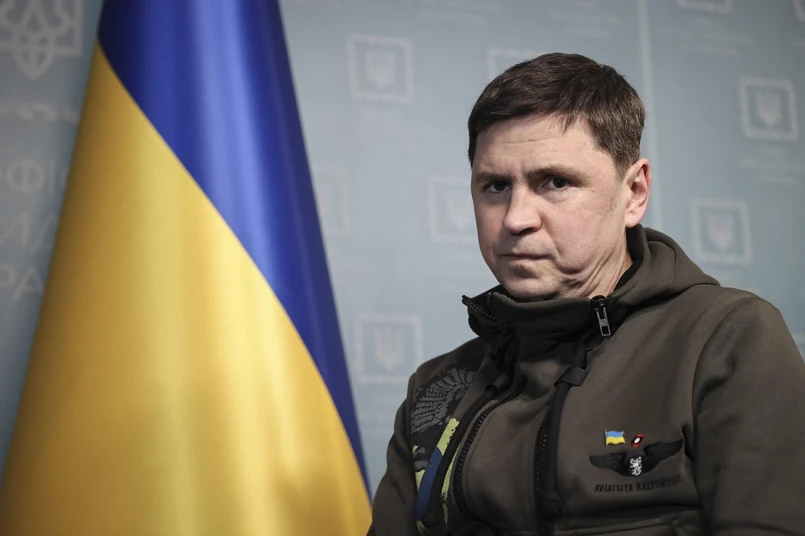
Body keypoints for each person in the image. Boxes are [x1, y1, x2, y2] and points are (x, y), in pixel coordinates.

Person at [366, 52, 805, 536]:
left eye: (555, 182)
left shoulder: (727, 340)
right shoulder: (434, 389)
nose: (516, 218)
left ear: (634, 193)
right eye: (495, 186)